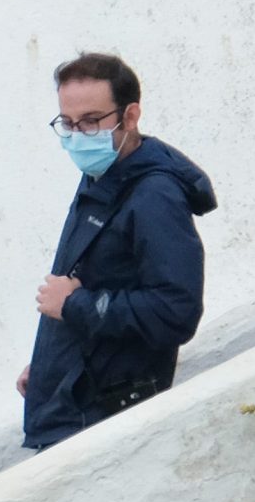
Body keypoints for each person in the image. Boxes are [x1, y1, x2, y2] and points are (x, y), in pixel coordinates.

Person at [19, 53, 215, 451]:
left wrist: (74, 307)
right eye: (67, 123)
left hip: (107, 423)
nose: (78, 135)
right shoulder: (100, 176)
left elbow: (175, 311)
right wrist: (50, 367)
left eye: (91, 121)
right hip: (73, 409)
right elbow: (97, 279)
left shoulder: (154, 196)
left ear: (130, 116)